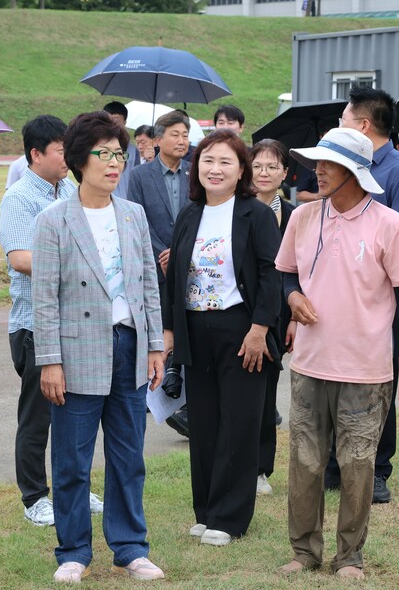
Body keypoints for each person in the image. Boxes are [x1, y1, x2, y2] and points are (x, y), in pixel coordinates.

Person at [275, 127, 399, 580]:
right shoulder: (302, 218)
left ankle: (349, 557)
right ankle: (304, 551)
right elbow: (285, 273)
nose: (316, 171)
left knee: (358, 463)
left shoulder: (389, 224)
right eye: (316, 162)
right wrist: (291, 297)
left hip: (366, 367)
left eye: (328, 164)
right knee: (304, 459)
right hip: (308, 363)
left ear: (356, 172)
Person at [33, 111, 165, 584]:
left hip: (129, 346)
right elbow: (43, 297)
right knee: (71, 459)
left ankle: (130, 547)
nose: (114, 164)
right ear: (77, 161)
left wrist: (154, 345)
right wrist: (49, 360)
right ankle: (73, 550)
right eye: (103, 154)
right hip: (76, 352)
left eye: (119, 155)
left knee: (129, 456)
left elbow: (149, 284)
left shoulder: (133, 214)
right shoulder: (54, 221)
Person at [161, 130, 281, 547]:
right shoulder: (189, 214)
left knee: (240, 422)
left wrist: (260, 329)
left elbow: (271, 275)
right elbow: (175, 275)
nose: (215, 169)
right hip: (196, 329)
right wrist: (170, 330)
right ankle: (206, 511)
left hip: (243, 330)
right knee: (205, 423)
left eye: (226, 161)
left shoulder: (256, 214)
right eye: (208, 160)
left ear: (242, 169)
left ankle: (229, 518)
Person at [0, 115, 106, 527]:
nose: (67, 156)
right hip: (35, 324)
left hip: (76, 321)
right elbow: (20, 259)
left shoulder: (73, 192)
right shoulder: (20, 197)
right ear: (36, 154)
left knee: (73, 414)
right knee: (37, 415)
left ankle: (72, 487)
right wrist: (75, 261)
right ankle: (34, 497)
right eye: (60, 150)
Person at [328, 87, 399, 504]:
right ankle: (335, 465)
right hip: (338, 300)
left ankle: (378, 469)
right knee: (336, 383)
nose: (339, 126)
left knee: (377, 386)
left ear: (363, 125)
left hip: (379, 304)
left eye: (344, 120)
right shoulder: (339, 167)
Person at [127, 110, 192, 437]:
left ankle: (184, 400)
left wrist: (181, 255)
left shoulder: (195, 175)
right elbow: (137, 220)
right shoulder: (139, 176)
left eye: (185, 135)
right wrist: (162, 254)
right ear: (158, 139)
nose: (181, 141)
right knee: (158, 341)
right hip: (154, 273)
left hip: (191, 272)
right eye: (175, 134)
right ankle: (157, 396)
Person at [250, 138, 294, 496]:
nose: (264, 173)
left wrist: (293, 316)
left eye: (271, 167)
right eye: (257, 166)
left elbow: (302, 270)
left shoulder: (294, 214)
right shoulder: (236, 209)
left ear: (285, 173)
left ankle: (261, 469)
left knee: (266, 393)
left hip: (279, 316)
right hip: (241, 313)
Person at [103, 101, 138, 198]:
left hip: (127, 201)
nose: (111, 125)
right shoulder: (98, 148)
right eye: (108, 121)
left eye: (116, 121)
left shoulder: (134, 151)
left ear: (125, 122)